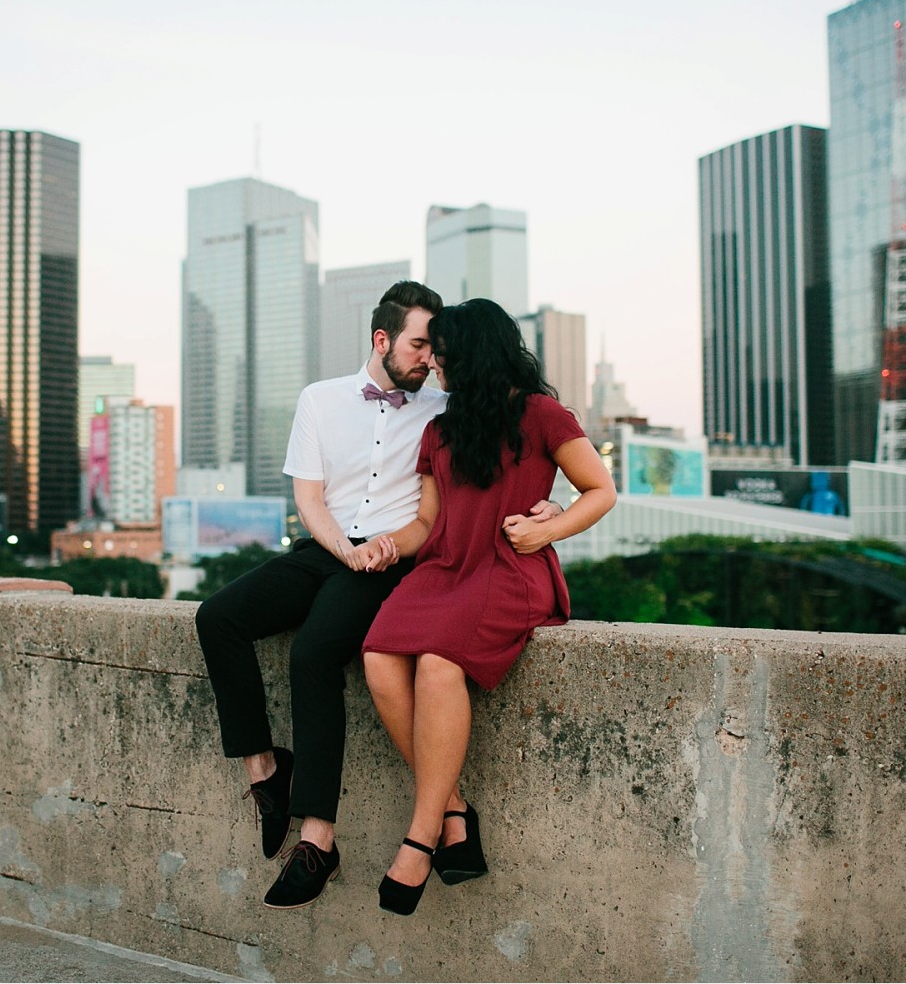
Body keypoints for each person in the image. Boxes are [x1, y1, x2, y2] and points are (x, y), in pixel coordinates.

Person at [194, 281, 559, 911]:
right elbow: (308, 499)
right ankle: (265, 771)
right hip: (329, 546)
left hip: (393, 559)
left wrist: (549, 507)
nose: (430, 359)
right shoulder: (320, 399)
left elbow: (506, 455)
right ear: (382, 339)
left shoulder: (445, 408)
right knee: (217, 616)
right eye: (419, 345)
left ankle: (317, 839)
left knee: (314, 652)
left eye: (437, 349)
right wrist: (343, 549)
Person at [359, 297, 617, 915]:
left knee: (438, 663)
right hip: (445, 566)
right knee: (378, 655)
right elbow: (428, 522)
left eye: (443, 354)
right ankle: (453, 808)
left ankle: (421, 837)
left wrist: (548, 529)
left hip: (508, 569)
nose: (433, 364)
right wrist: (386, 545)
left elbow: (600, 490)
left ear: (472, 353)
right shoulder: (439, 430)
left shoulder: (542, 414)